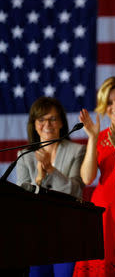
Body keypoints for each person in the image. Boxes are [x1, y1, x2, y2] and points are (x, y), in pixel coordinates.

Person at [73, 77, 115, 277]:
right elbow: (87, 178)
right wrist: (93, 138)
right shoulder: (100, 136)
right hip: (103, 209)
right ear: (104, 106)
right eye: (110, 102)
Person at [16, 97, 85, 277]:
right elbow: (21, 199)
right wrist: (39, 178)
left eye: (53, 118)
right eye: (41, 119)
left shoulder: (76, 151)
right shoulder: (24, 156)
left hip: (67, 233)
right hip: (36, 234)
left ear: (61, 122)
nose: (47, 124)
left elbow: (76, 191)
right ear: (34, 124)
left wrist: (51, 170)